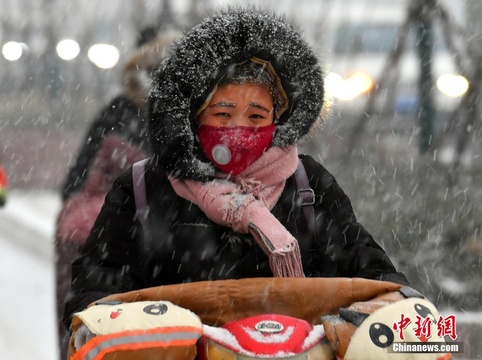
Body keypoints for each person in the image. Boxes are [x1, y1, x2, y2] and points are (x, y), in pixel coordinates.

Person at [64, 6, 409, 331]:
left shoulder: (308, 185)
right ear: (194, 114)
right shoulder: (144, 187)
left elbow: (371, 271)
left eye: (257, 116)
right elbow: (97, 286)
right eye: (223, 113)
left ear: (279, 119)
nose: (239, 130)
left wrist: (399, 306)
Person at [55, 28, 180, 360]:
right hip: (167, 249)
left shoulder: (117, 112)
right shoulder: (190, 122)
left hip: (97, 245)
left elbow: (73, 182)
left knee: (84, 332)